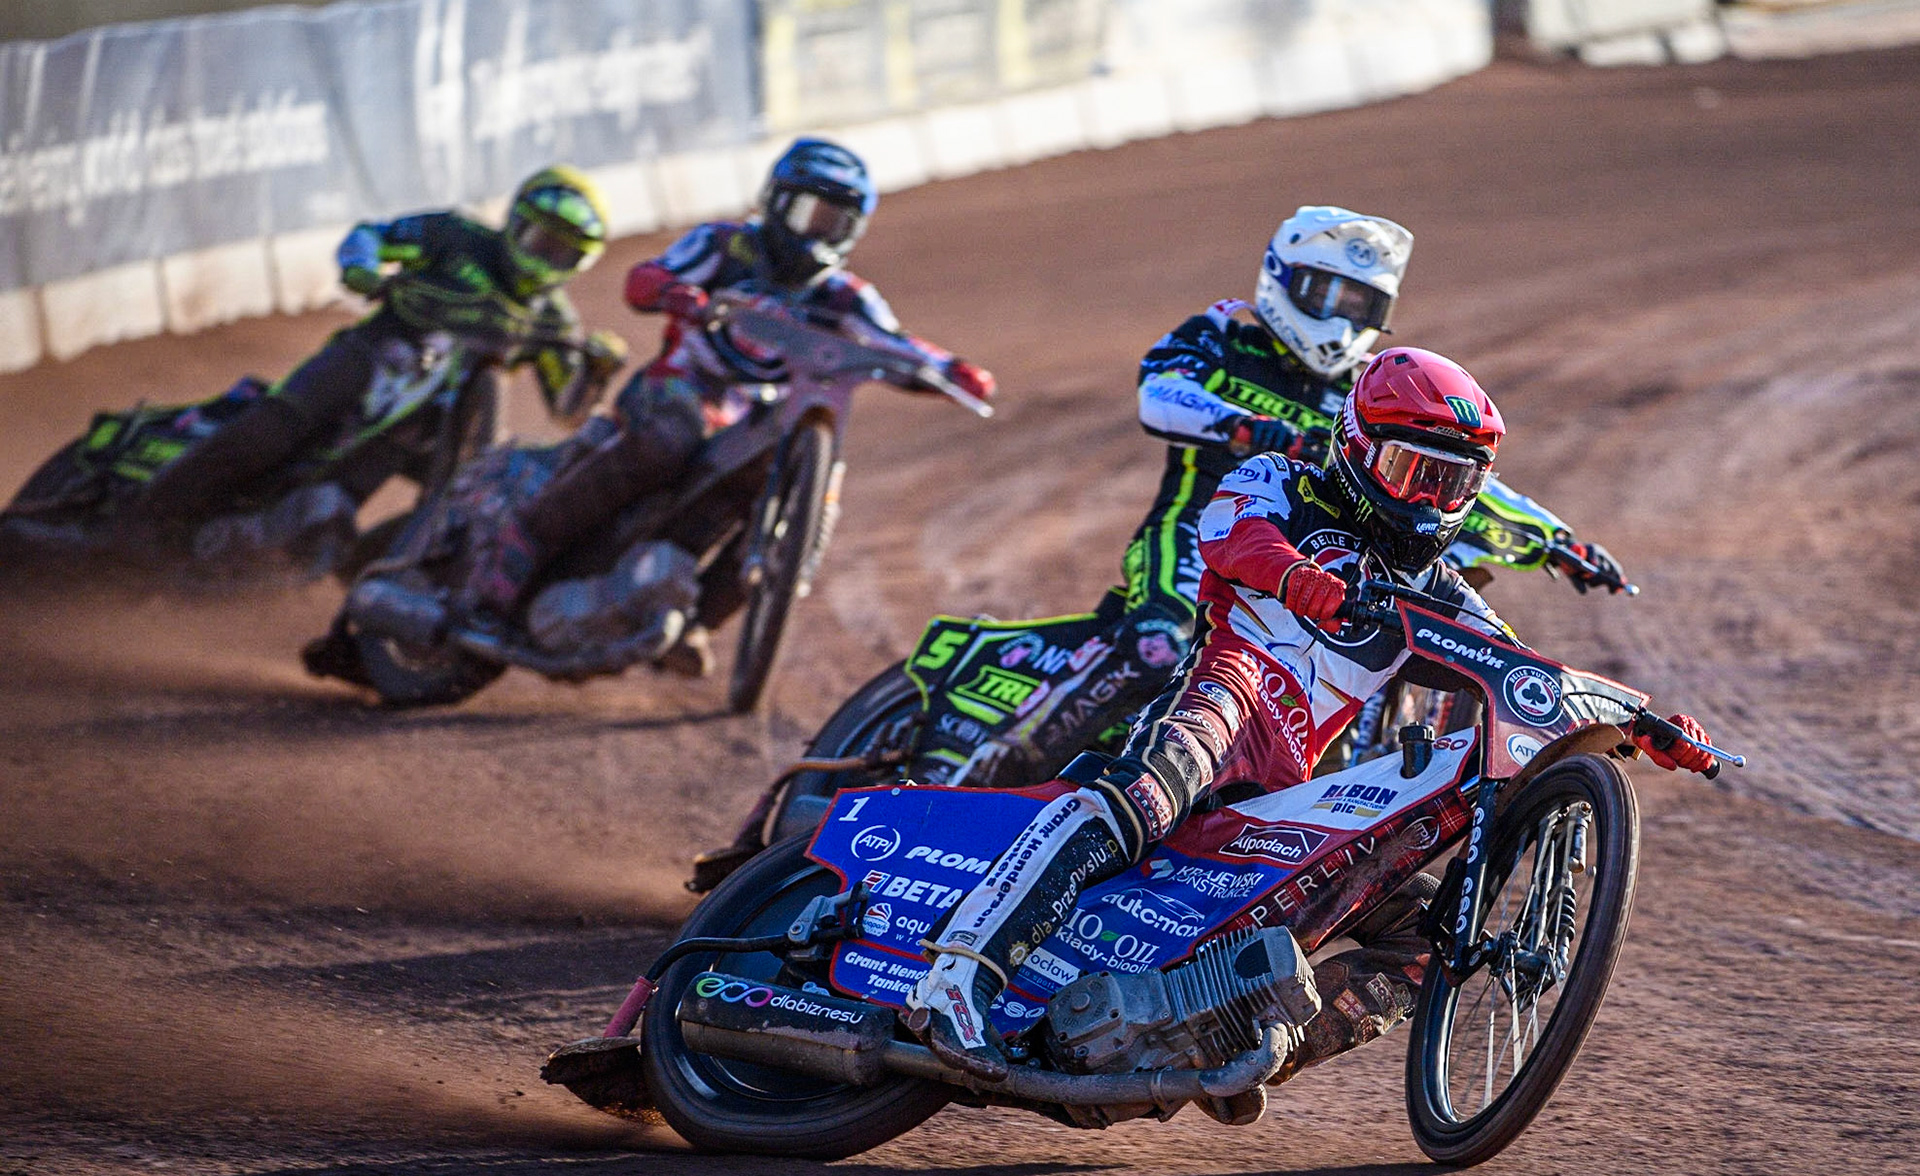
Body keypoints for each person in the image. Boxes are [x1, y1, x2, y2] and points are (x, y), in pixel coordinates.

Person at [903, 346, 1716, 1082]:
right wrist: (1302, 580)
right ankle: (959, 976)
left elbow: (1525, 672)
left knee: (1425, 934)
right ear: (1358, 448)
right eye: (1411, 471)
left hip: (1292, 781)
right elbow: (1230, 536)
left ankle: (1249, 1044)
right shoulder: (1282, 481)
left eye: (1452, 485)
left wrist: (1641, 721)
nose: (1429, 502)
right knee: (1149, 789)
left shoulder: (1439, 589)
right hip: (1231, 688)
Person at [966, 206, 1620, 784]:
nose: (1340, 317)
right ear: (1283, 278)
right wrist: (1244, 425)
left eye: (1360, 304)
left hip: (1322, 558)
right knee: (1159, 643)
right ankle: (1000, 762)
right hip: (1201, 531)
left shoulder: (1371, 392)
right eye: (1325, 293)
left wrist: (1557, 540)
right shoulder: (1225, 335)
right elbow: (1158, 392)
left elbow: (1466, 475)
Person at [453, 137, 996, 675]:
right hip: (680, 387)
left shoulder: (846, 296)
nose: (817, 233)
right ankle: (512, 560)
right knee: (670, 437)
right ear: (776, 204)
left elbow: (897, 344)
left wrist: (955, 371)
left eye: (835, 223)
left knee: (778, 482)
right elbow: (646, 278)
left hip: (757, 415)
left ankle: (694, 623)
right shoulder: (723, 246)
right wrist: (673, 293)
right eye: (808, 214)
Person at [131, 166, 625, 527]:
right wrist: (362, 269)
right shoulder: (456, 235)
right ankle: (146, 520)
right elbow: (373, 234)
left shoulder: (555, 320)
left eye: (563, 251)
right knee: (278, 426)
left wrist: (597, 372)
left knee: (475, 490)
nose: (546, 257)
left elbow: (569, 413)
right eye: (540, 239)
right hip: (376, 355)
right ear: (515, 221)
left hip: (436, 422)